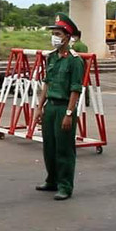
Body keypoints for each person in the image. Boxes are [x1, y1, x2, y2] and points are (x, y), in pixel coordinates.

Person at [33, 13, 84, 201]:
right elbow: (47, 82)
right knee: (49, 147)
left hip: (64, 107)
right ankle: (52, 179)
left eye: (58, 33)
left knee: (64, 148)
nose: (54, 37)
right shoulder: (52, 58)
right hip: (51, 107)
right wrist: (39, 106)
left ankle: (65, 185)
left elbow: (75, 89)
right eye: (53, 33)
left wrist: (69, 113)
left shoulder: (75, 60)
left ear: (67, 37)